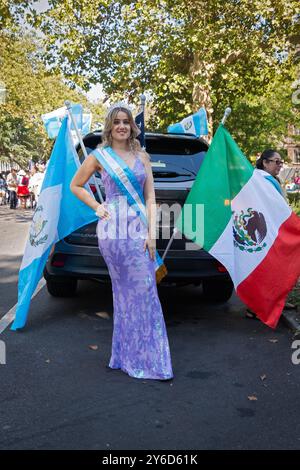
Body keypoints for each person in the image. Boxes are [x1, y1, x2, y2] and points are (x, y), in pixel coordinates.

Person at [70, 103, 173, 381]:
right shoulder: (100, 156)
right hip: (113, 233)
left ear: (132, 126)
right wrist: (96, 206)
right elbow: (75, 185)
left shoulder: (143, 156)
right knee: (124, 294)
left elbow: (150, 197)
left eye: (126, 121)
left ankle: (148, 360)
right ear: (110, 126)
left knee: (146, 290)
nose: (122, 126)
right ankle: (127, 358)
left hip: (139, 228)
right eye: (116, 121)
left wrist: (152, 233)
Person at [246, 149, 294, 318]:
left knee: (279, 267)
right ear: (265, 162)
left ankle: (278, 301)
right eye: (276, 162)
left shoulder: (271, 179)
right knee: (264, 268)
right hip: (264, 231)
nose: (280, 165)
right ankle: (255, 308)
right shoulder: (259, 179)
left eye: (281, 162)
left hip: (275, 229)